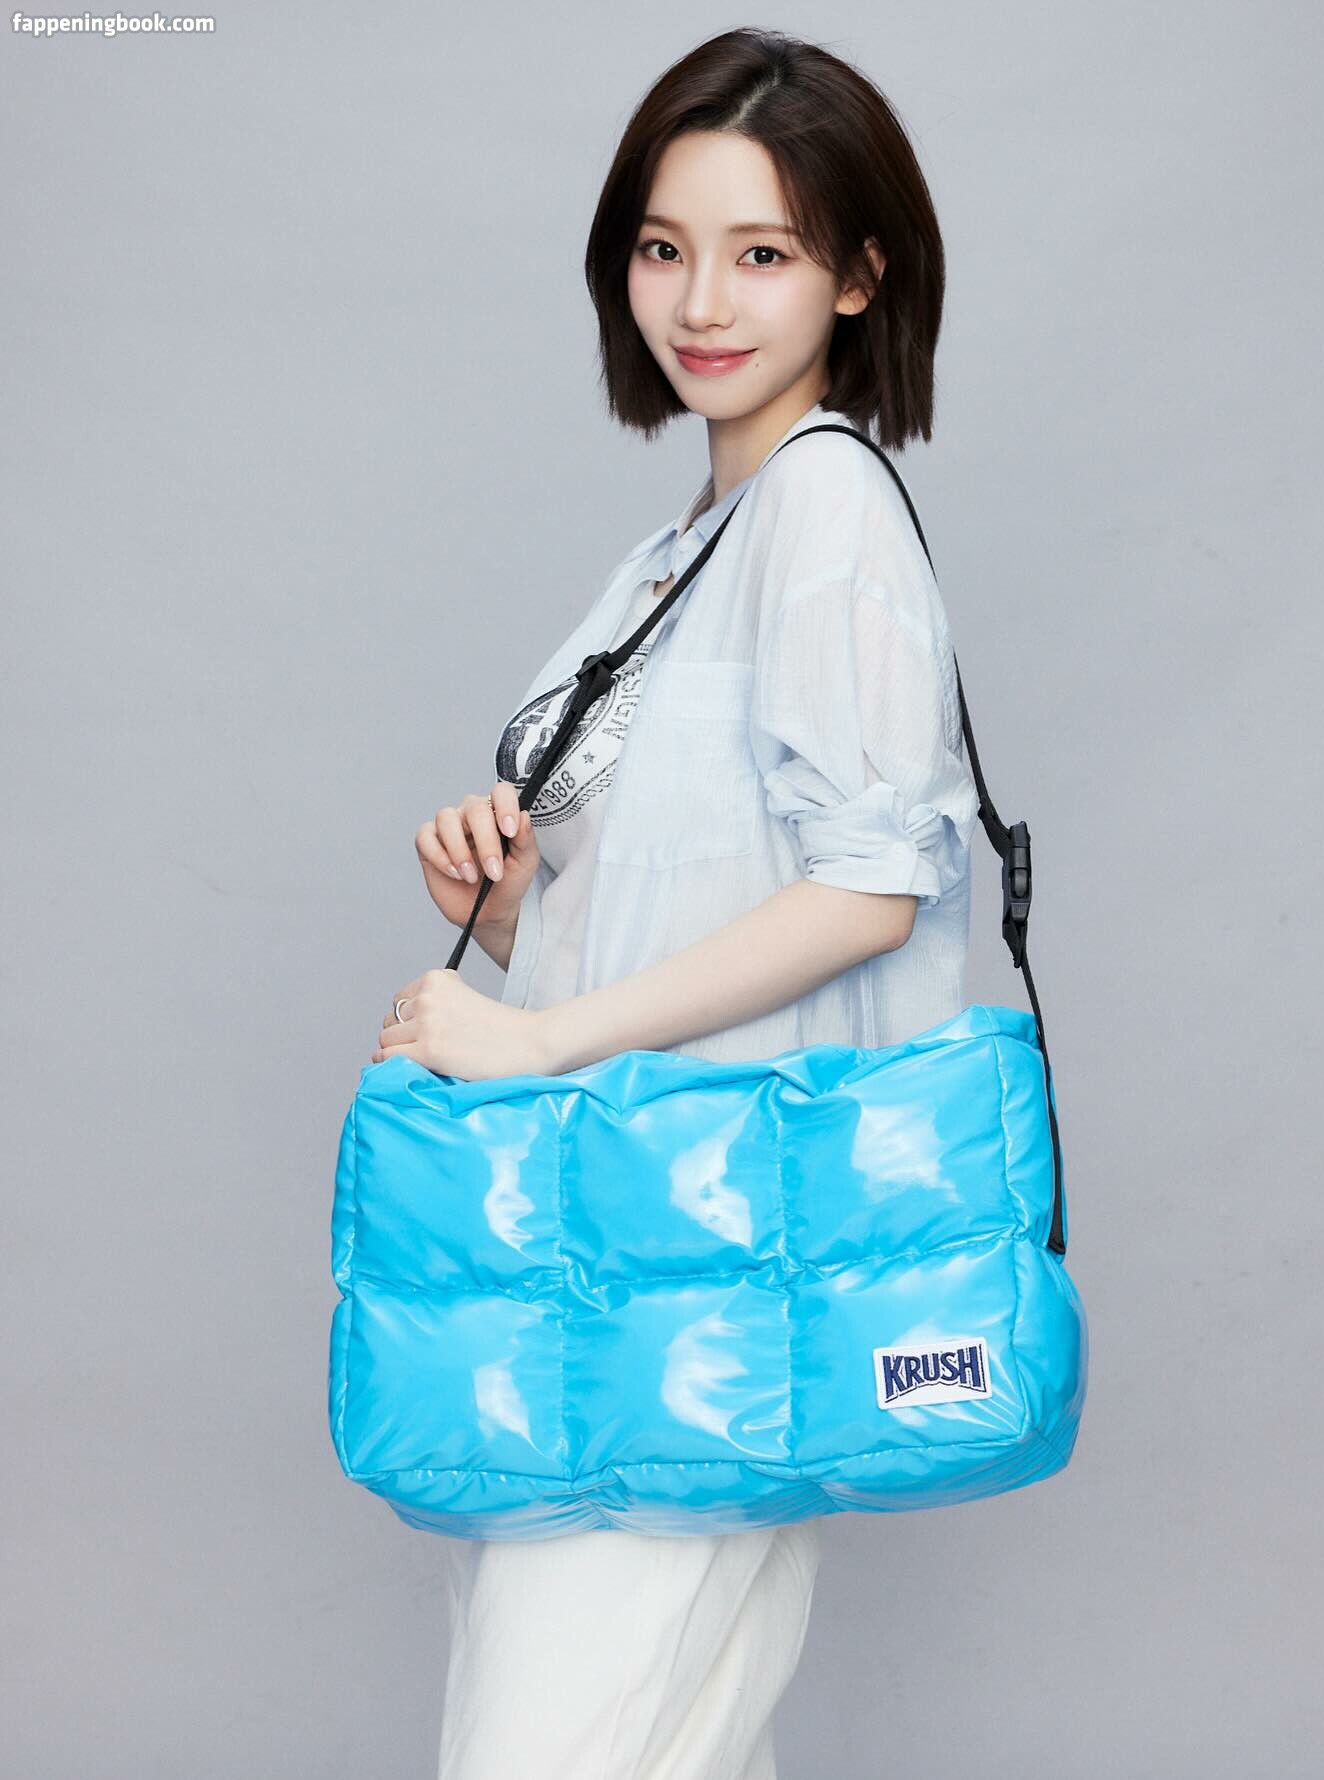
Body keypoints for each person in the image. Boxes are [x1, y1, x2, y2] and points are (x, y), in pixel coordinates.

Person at [371, 27, 979, 1780]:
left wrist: (535, 1033)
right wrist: (511, 913)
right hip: (627, 1252)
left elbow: (869, 890)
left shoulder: (826, 507)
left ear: (861, 276)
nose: (700, 302)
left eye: (762, 252)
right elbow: (710, 900)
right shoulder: (686, 544)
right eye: (663, 246)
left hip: (710, 1261)